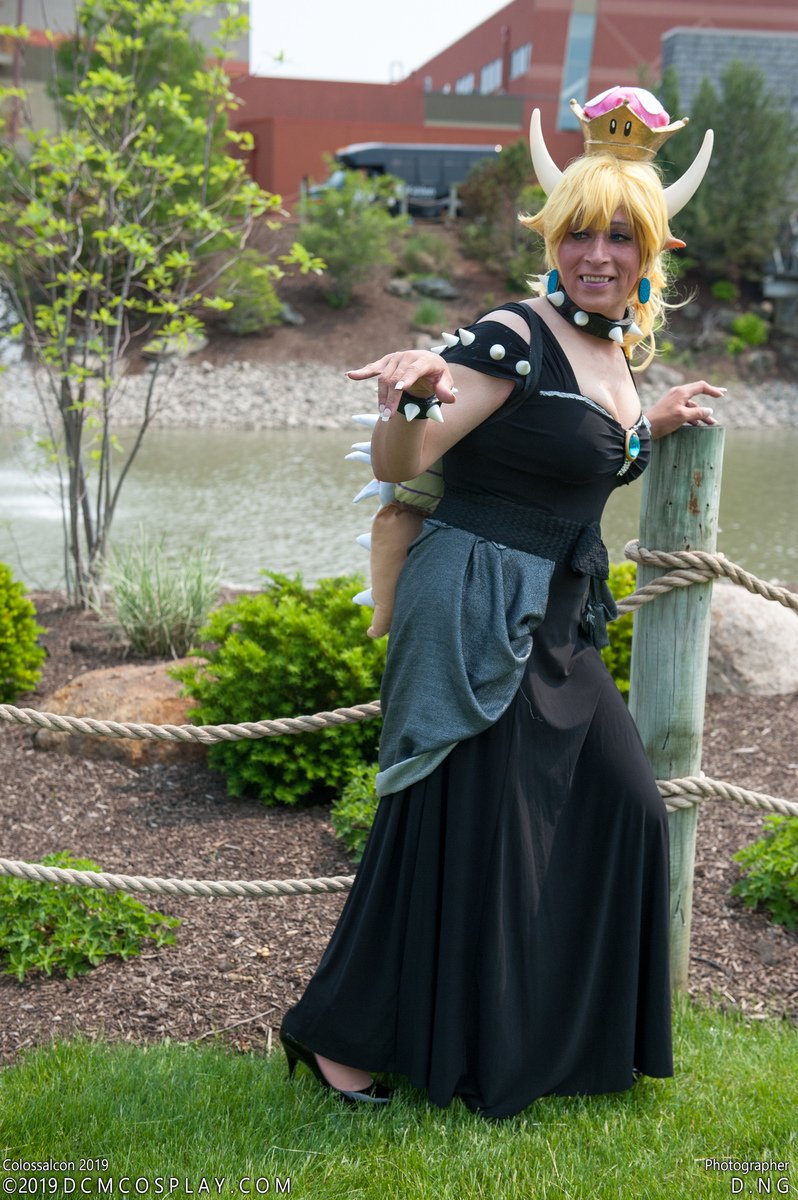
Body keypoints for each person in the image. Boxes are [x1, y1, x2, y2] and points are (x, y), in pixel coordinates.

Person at [279, 87, 725, 1119]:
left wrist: (647, 427)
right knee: (459, 822)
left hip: (555, 610)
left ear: (650, 251)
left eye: (620, 235)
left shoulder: (612, 349)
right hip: (475, 599)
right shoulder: (510, 335)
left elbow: (576, 455)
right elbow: (405, 462)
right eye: (580, 232)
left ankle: (547, 1035)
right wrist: (408, 400)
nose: (598, 253)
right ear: (554, 237)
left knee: (624, 805)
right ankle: (343, 1042)